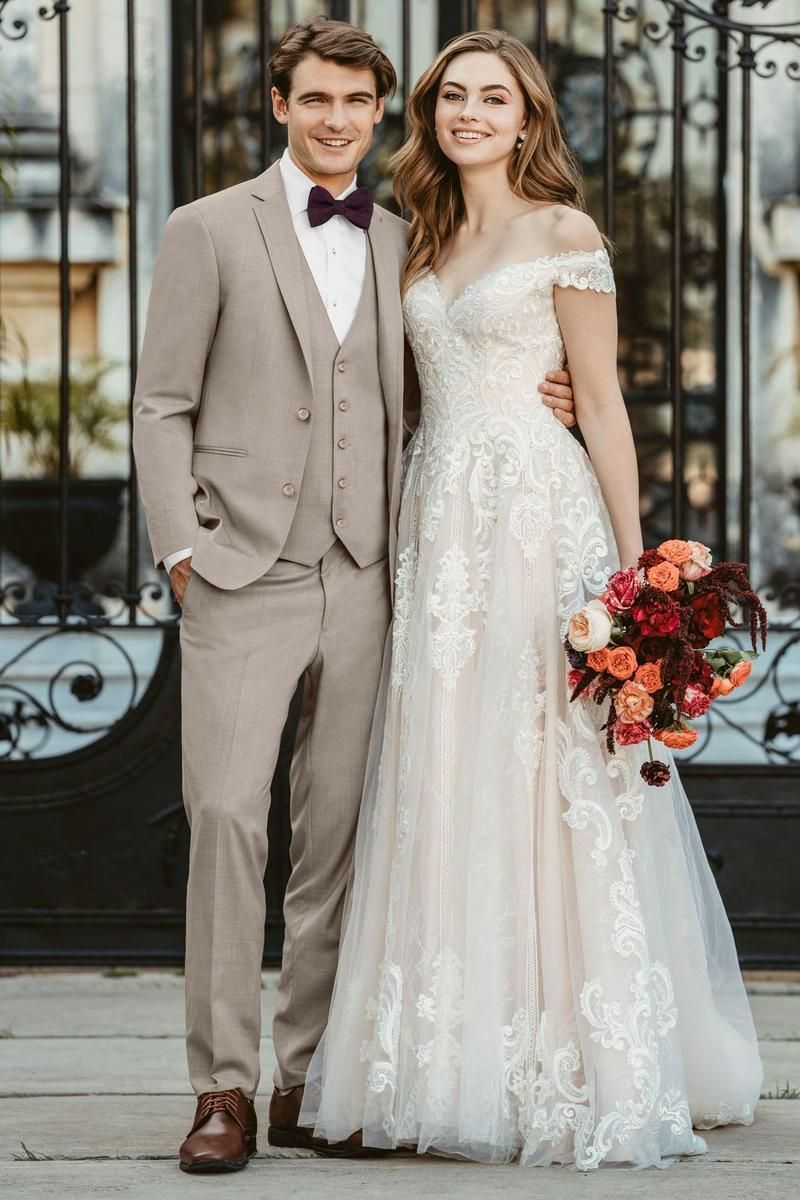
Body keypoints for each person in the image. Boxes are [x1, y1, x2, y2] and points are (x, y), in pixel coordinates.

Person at [298, 29, 763, 1170]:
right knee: (446, 765)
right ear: (431, 113)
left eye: (490, 97)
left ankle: (575, 1053)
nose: (467, 113)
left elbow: (598, 404)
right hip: (438, 523)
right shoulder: (414, 237)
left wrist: (633, 566)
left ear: (526, 118)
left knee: (551, 766)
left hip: (536, 520)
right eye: (450, 95)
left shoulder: (565, 231)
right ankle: (443, 1055)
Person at [132, 17, 576, 1173]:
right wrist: (182, 546)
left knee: (336, 838)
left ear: (379, 117)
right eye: (315, 99)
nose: (337, 121)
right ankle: (220, 1088)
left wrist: (548, 397)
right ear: (277, 105)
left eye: (357, 104)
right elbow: (160, 403)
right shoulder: (205, 230)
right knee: (229, 819)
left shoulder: (402, 241)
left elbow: (449, 377)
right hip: (241, 571)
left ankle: (304, 1076)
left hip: (373, 574)